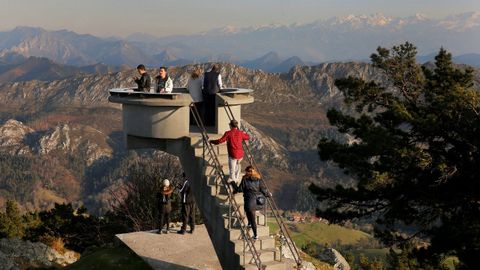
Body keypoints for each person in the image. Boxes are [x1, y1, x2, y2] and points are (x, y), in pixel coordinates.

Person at [232, 166, 271, 240]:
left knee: (252, 218)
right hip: (257, 202)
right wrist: (268, 195)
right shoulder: (258, 180)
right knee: (249, 213)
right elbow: (263, 190)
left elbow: (239, 189)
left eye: (246, 171)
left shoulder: (245, 180)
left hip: (249, 202)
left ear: (248, 172)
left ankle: (255, 235)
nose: (245, 172)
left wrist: (233, 183)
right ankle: (249, 224)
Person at [209, 119, 249, 183]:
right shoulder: (240, 133)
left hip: (233, 154)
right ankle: (237, 177)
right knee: (237, 164)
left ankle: (232, 180)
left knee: (232, 169)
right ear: (236, 126)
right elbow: (247, 137)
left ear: (230, 125)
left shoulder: (228, 133)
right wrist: (243, 133)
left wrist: (212, 141)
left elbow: (220, 141)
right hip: (240, 154)